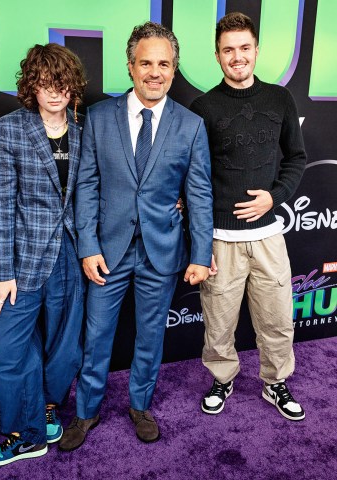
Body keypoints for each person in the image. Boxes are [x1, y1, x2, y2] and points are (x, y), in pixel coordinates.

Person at [59, 21, 213, 451]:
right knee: (96, 337)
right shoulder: (100, 116)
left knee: (150, 337)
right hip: (107, 252)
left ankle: (140, 405)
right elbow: (86, 185)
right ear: (130, 66)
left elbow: (199, 194)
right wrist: (87, 246)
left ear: (174, 68)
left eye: (164, 63)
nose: (155, 72)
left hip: (161, 253)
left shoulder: (191, 125)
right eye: (146, 62)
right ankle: (87, 412)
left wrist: (201, 254)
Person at [190, 12, 307, 421]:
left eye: (244, 48)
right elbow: (196, 177)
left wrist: (273, 199)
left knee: (276, 318)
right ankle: (222, 379)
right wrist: (202, 242)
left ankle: (275, 382)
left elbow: (296, 158)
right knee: (218, 324)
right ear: (217, 56)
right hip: (221, 238)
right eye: (228, 50)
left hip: (269, 236)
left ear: (256, 50)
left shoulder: (280, 99)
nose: (237, 57)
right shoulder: (202, 107)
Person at [0, 43, 87, 466]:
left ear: (72, 85)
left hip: (71, 256)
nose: (54, 92)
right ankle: (24, 435)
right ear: (32, 86)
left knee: (64, 347)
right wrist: (3, 271)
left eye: (61, 83)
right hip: (19, 262)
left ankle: (46, 411)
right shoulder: (7, 129)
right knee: (8, 352)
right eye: (45, 84)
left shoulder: (84, 130)